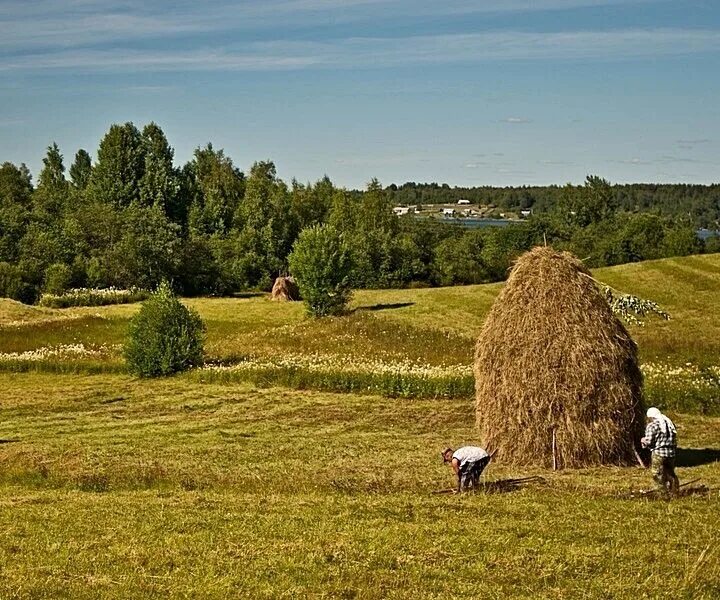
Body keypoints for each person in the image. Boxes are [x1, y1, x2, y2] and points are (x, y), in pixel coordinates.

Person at [640, 407, 679, 496]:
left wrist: (643, 441)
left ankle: (663, 494)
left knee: (657, 475)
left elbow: (649, 442)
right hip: (671, 453)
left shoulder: (652, 426)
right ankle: (675, 492)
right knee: (670, 474)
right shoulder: (669, 424)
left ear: (650, 417)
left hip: (659, 454)